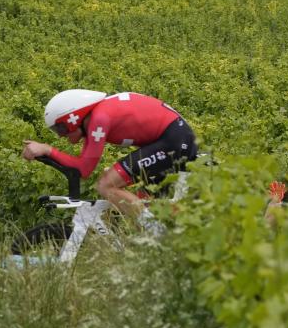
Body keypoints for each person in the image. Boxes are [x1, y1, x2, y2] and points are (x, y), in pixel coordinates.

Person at [21, 90, 196, 234]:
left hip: (173, 140)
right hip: (172, 137)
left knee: (106, 185)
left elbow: (84, 170)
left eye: (60, 128)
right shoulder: (97, 116)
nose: (61, 135)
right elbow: (83, 166)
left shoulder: (99, 118)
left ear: (74, 116)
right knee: (140, 210)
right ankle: (167, 238)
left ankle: (159, 233)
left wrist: (47, 150)